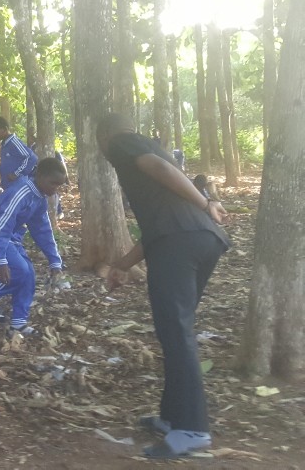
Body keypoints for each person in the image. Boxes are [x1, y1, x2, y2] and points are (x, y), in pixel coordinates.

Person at [98, 113, 230, 460]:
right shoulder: (153, 150)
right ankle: (173, 417)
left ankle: (193, 429)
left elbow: (158, 168)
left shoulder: (122, 143)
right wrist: (121, 267)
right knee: (174, 330)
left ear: (103, 137)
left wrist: (206, 202)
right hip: (202, 240)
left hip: (180, 244)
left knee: (176, 333)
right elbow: (159, 228)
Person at [0, 157, 66, 336]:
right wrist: (1, 260)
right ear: (40, 176)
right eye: (53, 183)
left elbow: (42, 230)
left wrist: (55, 261)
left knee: (29, 273)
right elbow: (2, 224)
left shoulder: (39, 198)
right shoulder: (22, 191)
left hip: (10, 235)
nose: (55, 189)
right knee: (20, 270)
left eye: (59, 185)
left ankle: (18, 323)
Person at [0, 117, 37, 189]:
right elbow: (8, 165)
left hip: (18, 186)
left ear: (4, 129)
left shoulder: (14, 143)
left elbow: (31, 158)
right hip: (8, 186)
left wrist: (16, 174)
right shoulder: (4, 145)